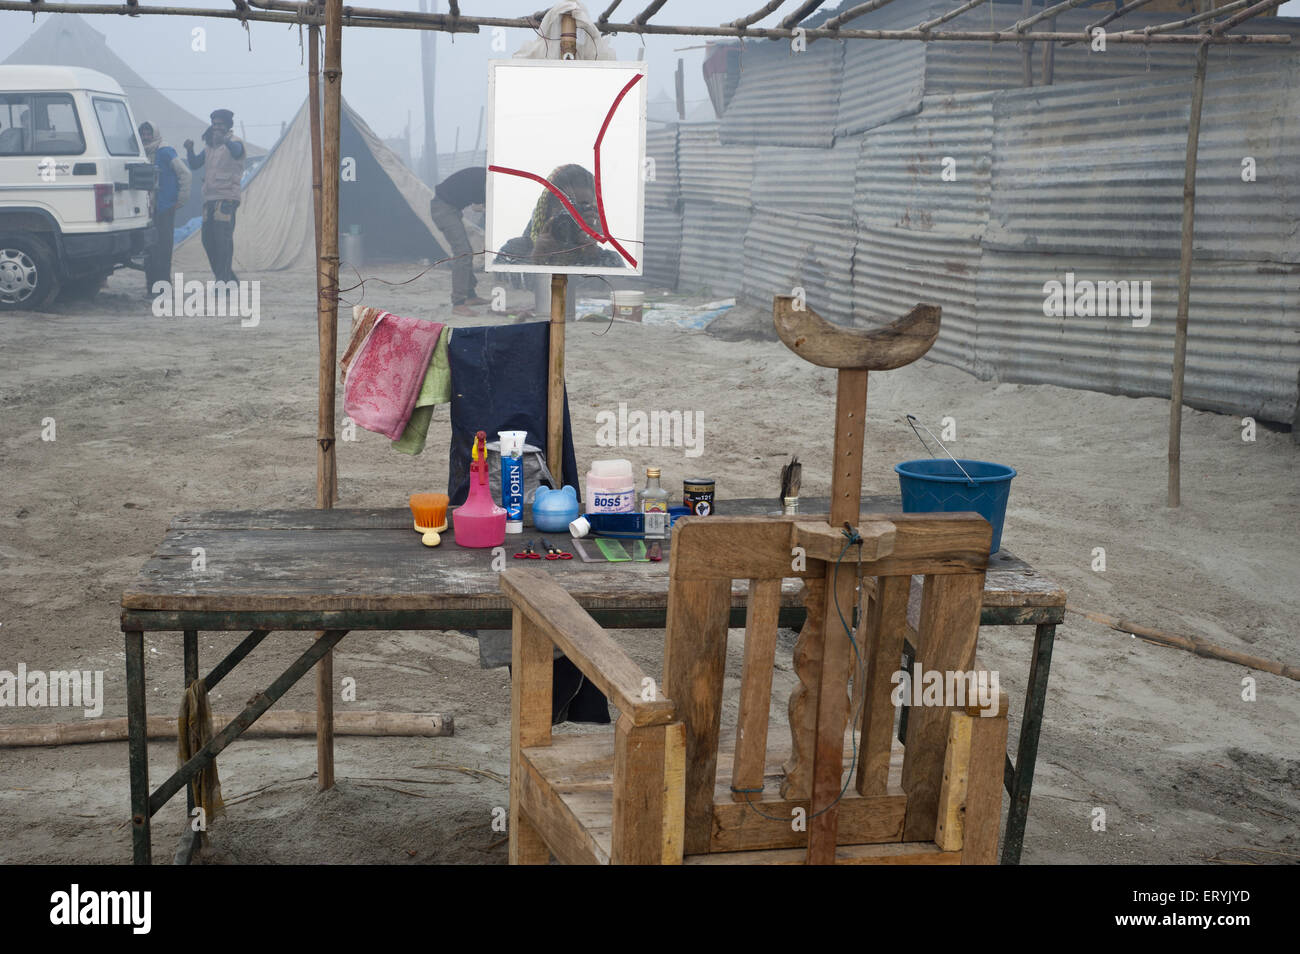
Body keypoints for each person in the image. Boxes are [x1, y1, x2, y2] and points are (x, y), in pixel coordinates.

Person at [184, 108, 245, 283]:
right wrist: (190, 150)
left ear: (227, 126)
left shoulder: (235, 142)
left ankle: (223, 281)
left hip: (227, 199)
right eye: (214, 124)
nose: (216, 128)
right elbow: (195, 164)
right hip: (209, 199)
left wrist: (225, 140)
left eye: (220, 125)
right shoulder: (209, 147)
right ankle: (227, 278)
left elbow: (236, 152)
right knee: (207, 240)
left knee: (223, 241)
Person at [139, 122, 191, 297]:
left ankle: (163, 290)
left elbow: (185, 174)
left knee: (162, 249)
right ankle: (151, 289)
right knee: (149, 250)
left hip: (164, 208)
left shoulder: (165, 151)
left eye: (148, 134)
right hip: (146, 210)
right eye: (143, 134)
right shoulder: (140, 152)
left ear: (155, 134)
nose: (146, 137)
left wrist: (180, 200)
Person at [429, 166, 489, 316]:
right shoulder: (486, 180)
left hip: (449, 208)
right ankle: (458, 303)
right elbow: (476, 208)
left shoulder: (485, 175)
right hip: (443, 209)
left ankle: (470, 296)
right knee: (462, 253)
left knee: (466, 251)